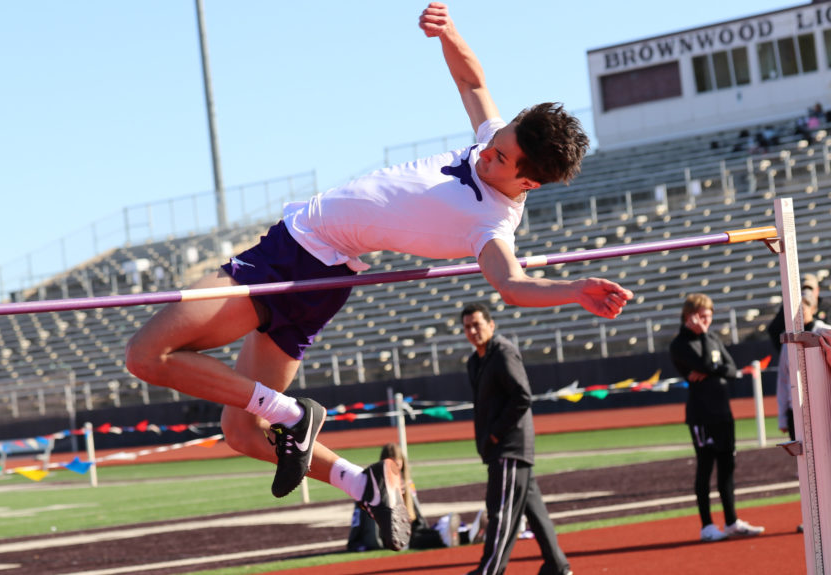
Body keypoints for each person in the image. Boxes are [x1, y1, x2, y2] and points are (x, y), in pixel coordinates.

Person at [124, 1, 631, 552]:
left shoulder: (492, 223)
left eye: (501, 157)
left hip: (297, 257)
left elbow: (510, 284)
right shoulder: (495, 142)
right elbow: (471, 79)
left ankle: (292, 414)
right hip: (322, 276)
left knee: (147, 356)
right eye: (497, 140)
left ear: (527, 182)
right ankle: (361, 482)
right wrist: (450, 33)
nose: (488, 151)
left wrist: (574, 289)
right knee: (242, 431)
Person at [461, 302, 572, 575]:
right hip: (498, 448)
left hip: (510, 446)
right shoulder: (475, 361)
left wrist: (497, 433)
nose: (473, 331)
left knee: (502, 513)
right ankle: (558, 567)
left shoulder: (503, 353)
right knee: (534, 511)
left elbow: (522, 396)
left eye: (477, 324)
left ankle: (490, 570)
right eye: (467, 327)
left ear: (491, 325)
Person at [669, 293, 765, 542]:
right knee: (705, 469)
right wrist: (704, 346)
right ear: (689, 317)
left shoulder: (712, 337)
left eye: (709, 317)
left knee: (727, 468)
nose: (706, 321)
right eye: (702, 317)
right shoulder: (680, 344)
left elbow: (731, 370)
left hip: (724, 413)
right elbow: (706, 364)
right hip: (702, 416)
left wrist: (712, 368)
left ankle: (732, 521)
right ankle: (707, 526)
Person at [346, 443, 478, 552]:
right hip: (389, 534)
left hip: (408, 528)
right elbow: (368, 521)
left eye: (399, 464)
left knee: (424, 534)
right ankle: (450, 537)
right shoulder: (374, 486)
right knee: (417, 539)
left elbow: (416, 517)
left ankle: (469, 535)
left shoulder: (406, 483)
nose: (397, 469)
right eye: (393, 466)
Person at [777, 288, 831, 441]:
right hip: (795, 409)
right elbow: (783, 376)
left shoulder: (826, 331)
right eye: (796, 308)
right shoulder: (789, 340)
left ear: (813, 308)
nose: (799, 311)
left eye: (804, 306)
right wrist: (782, 416)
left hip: (821, 406)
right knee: (802, 460)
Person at [768, 273, 830, 363]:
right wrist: (789, 351)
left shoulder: (827, 307)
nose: (807, 292)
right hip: (799, 359)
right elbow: (774, 330)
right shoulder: (788, 308)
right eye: (803, 288)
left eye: (810, 288)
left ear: (817, 290)